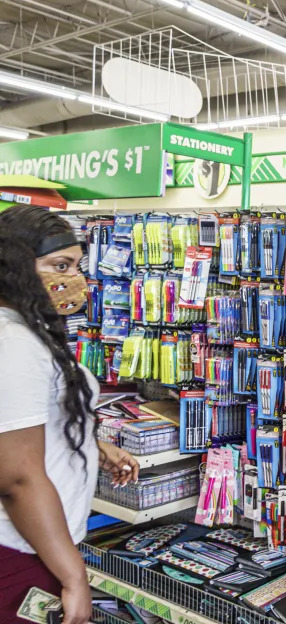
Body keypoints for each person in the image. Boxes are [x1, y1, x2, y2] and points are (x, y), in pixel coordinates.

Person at [0, 205, 140, 624]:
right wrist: (74, 575)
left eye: (77, 266)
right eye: (60, 265)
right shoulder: (15, 344)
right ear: (16, 266)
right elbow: (17, 478)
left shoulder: (21, 330)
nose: (74, 279)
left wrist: (91, 444)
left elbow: (17, 426)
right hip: (22, 548)